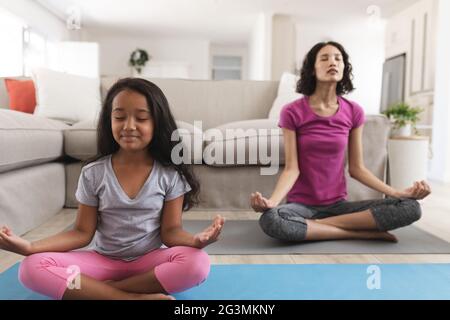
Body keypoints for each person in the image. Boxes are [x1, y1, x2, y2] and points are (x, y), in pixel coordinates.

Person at [0, 77, 225, 300]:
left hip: (149, 266)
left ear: (157, 123)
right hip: (101, 263)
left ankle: (99, 291)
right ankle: (128, 298)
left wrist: (195, 241)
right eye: (119, 117)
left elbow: (171, 231)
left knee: (198, 263)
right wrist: (30, 246)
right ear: (110, 121)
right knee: (32, 268)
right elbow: (81, 233)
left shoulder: (170, 175)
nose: (128, 126)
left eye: (141, 118)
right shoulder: (93, 173)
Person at [250, 41, 431, 243]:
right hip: (301, 207)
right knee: (271, 220)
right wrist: (272, 202)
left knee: (411, 207)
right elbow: (292, 169)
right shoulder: (292, 111)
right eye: (325, 58)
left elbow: (357, 169)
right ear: (312, 69)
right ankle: (354, 232)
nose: (333, 62)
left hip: (338, 207)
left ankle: (318, 229)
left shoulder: (353, 111)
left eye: (338, 58)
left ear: (344, 68)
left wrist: (396, 192)